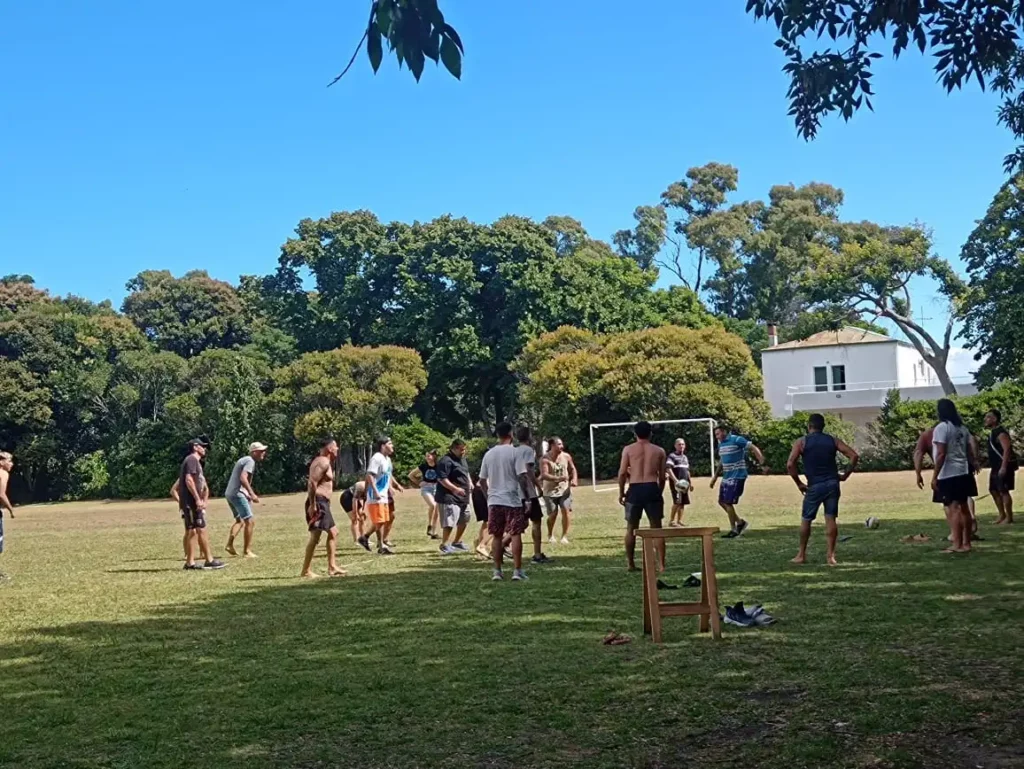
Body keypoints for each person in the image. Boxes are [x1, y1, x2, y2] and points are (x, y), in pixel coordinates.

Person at [786, 414, 859, 566]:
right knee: (830, 518)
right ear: (823, 426)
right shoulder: (832, 440)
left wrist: (798, 483)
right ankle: (831, 557)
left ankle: (801, 555)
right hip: (832, 484)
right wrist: (845, 474)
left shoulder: (801, 442)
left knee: (806, 519)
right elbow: (853, 455)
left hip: (814, 485)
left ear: (809, 426)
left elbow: (790, 464)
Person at [479, 422, 532, 582]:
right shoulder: (515, 453)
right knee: (515, 534)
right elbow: (522, 476)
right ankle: (517, 570)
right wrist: (527, 497)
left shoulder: (489, 454)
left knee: (496, 536)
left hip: (494, 500)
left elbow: (482, 480)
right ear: (511, 434)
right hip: (512, 499)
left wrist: (489, 497)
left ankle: (497, 571)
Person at [619, 421, 668, 573]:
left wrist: (621, 492)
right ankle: (661, 565)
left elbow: (621, 473)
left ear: (635, 434)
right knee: (657, 528)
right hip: (651, 486)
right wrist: (658, 491)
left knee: (631, 528)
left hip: (634, 489)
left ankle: (631, 564)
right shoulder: (659, 451)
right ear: (650, 433)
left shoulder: (628, 449)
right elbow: (662, 477)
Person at [931, 399, 978, 554]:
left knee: (953, 509)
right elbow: (969, 450)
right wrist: (973, 463)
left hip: (948, 472)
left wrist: (935, 475)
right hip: (963, 471)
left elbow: (941, 453)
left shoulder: (942, 428)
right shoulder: (962, 428)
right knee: (964, 508)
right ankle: (967, 543)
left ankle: (956, 544)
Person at [173, 439, 226, 571]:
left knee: (196, 529)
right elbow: (189, 480)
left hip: (193, 502)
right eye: (202, 446)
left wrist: (203, 499)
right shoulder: (191, 460)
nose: (205, 449)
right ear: (195, 447)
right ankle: (205, 561)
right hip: (191, 502)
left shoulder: (195, 461)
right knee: (195, 530)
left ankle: (194, 562)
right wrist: (197, 498)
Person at [710, 425, 766, 538]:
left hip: (737, 476)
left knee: (728, 502)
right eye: (715, 435)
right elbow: (722, 460)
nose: (717, 437)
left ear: (725, 431)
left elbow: (753, 447)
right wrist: (715, 476)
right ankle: (740, 523)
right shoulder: (721, 443)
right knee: (721, 502)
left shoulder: (737, 439)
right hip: (727, 476)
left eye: (718, 434)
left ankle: (734, 530)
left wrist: (762, 462)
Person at [300, 437, 346, 578]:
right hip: (318, 503)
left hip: (322, 503)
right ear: (329, 448)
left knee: (324, 534)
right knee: (326, 534)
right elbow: (312, 483)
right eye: (336, 446)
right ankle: (310, 570)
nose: (337, 449)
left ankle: (327, 567)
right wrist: (313, 504)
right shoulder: (322, 462)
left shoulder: (325, 462)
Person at [361, 436, 404, 555]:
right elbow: (369, 475)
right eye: (390, 444)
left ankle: (375, 543)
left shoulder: (387, 459)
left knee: (384, 520)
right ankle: (370, 540)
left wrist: (395, 485)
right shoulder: (377, 458)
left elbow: (389, 475)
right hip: (376, 495)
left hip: (384, 494)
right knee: (379, 521)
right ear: (383, 446)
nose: (392, 446)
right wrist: (374, 491)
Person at [516, 425, 553, 565]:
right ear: (529, 436)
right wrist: (538, 486)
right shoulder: (528, 450)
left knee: (519, 524)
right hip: (528, 492)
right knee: (536, 521)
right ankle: (537, 554)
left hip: (517, 491)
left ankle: (500, 546)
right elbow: (528, 471)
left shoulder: (514, 450)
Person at [224, 441, 267, 558]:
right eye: (261, 451)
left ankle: (229, 545)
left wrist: (246, 492)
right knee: (250, 521)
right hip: (237, 493)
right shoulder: (249, 461)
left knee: (240, 520)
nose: (264, 452)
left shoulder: (245, 459)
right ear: (254, 452)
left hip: (230, 493)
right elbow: (243, 478)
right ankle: (247, 551)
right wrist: (252, 494)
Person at [435, 439, 472, 555]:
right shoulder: (445, 461)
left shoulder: (462, 459)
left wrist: (470, 482)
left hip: (463, 496)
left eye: (464, 449)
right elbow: (442, 479)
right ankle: (444, 544)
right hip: (449, 496)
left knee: (465, 517)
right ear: (454, 448)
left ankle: (457, 542)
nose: (463, 452)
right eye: (461, 449)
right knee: (450, 521)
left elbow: (466, 472)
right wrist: (455, 489)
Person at [541, 436, 578, 545]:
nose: (562, 446)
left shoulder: (566, 456)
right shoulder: (545, 459)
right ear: (552, 445)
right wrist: (558, 478)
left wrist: (574, 479)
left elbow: (573, 469)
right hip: (550, 492)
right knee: (553, 515)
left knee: (566, 511)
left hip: (564, 490)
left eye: (562, 444)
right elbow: (544, 475)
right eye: (559, 444)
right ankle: (550, 534)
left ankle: (564, 536)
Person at [985, 409, 1016, 525]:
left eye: (988, 417)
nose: (985, 419)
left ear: (995, 419)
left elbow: (1007, 449)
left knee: (1004, 491)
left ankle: (1009, 517)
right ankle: (1001, 514)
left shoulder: (1001, 433)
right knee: (993, 490)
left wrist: (1003, 466)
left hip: (1003, 466)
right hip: (995, 466)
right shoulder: (992, 432)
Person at [408, 451, 441, 540]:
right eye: (426, 456)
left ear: (434, 456)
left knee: (436, 509)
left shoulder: (439, 465)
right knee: (433, 505)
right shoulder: (423, 466)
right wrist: (419, 482)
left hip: (437, 488)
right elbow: (411, 475)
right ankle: (430, 525)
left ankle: (433, 531)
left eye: (429, 456)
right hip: (426, 489)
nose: (427, 458)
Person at [666, 438, 692, 527]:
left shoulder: (685, 457)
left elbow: (687, 471)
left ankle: (679, 520)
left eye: (683, 444)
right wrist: (675, 481)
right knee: (677, 501)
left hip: (684, 485)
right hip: (676, 484)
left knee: (683, 502)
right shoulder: (672, 456)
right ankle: (671, 521)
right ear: (675, 446)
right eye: (679, 444)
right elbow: (668, 469)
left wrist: (690, 483)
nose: (681, 446)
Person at [340, 480, 368, 547]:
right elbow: (354, 500)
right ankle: (356, 540)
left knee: (362, 518)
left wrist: (363, 511)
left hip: (354, 498)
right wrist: (355, 514)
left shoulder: (372, 489)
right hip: (346, 498)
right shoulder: (361, 486)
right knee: (354, 519)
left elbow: (365, 500)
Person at [470, 471, 490, 558]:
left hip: (479, 490)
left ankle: (480, 547)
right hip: (485, 491)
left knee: (487, 521)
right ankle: (482, 545)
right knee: (494, 522)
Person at [0, 452, 15, 570]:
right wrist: (11, 509)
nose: (11, 464)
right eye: (9, 461)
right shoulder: (3, 473)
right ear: (1, 462)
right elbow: (1, 495)